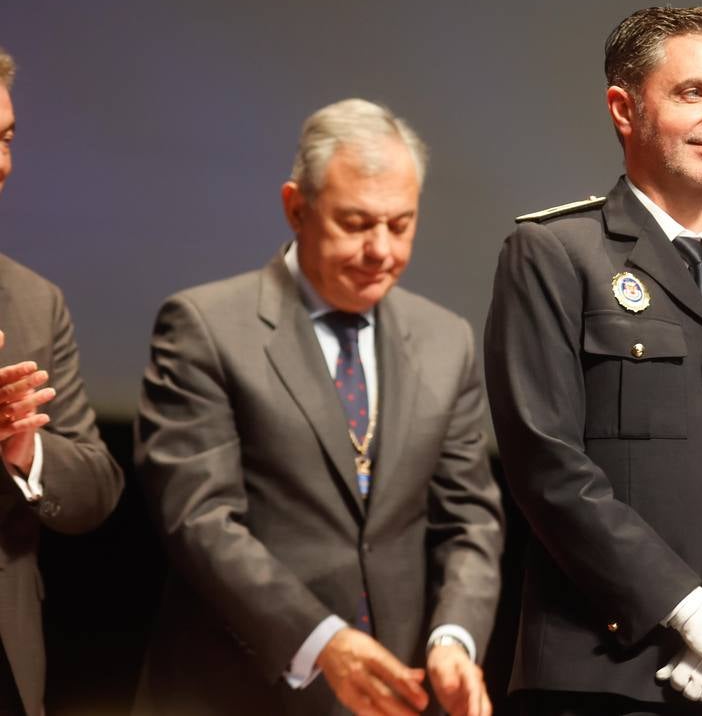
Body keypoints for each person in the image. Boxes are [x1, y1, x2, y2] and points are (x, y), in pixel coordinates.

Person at [484, 6, 702, 714]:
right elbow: (546, 464)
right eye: (694, 93)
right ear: (624, 108)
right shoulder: (555, 255)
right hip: (599, 677)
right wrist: (685, 610)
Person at [134, 99, 503, 716]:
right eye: (356, 223)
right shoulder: (205, 327)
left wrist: (454, 637)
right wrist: (322, 640)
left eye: (401, 223)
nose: (380, 249)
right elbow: (200, 520)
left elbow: (470, 520)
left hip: (398, 692)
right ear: (296, 208)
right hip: (241, 690)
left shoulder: (446, 340)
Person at [0, 46, 124, 716]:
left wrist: (24, 451)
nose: (0, 165)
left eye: (5, 139)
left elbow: (97, 487)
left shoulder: (34, 301)